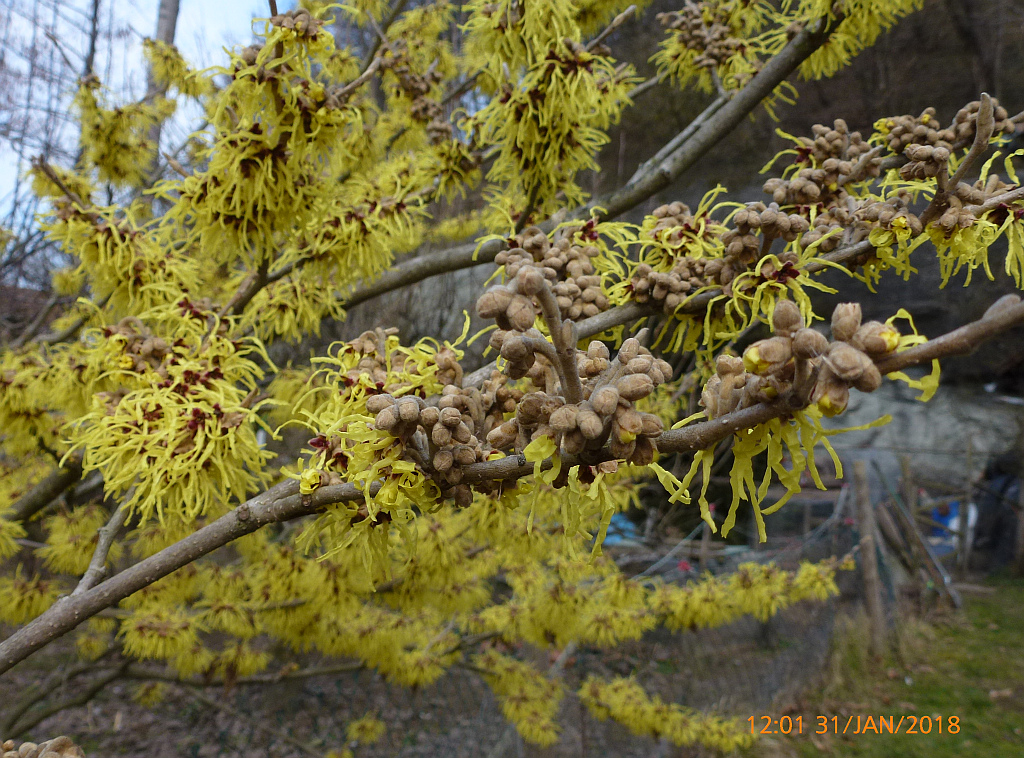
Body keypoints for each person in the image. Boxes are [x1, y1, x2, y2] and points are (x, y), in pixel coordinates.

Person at [972, 452, 1022, 572]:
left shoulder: (1002, 481)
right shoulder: (1009, 481)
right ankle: (996, 570)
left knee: (994, 541)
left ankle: (996, 571)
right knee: (999, 542)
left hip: (994, 512)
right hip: (996, 512)